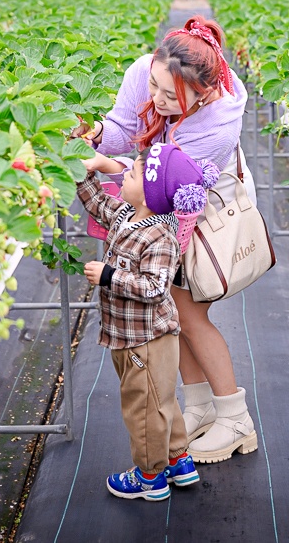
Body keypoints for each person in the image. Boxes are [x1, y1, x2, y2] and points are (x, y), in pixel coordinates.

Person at [74, 15, 259, 464]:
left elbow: (159, 191)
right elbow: (124, 129)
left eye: (167, 95)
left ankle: (236, 420)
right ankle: (197, 407)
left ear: (204, 93)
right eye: (152, 85)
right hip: (157, 191)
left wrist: (111, 170)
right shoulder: (147, 69)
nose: (154, 98)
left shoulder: (218, 126)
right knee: (175, 310)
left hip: (194, 203)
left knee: (192, 313)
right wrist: (99, 134)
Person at [76, 143, 217, 501]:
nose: (124, 174)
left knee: (143, 409)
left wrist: (109, 276)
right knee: (160, 400)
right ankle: (178, 459)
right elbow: (98, 204)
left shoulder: (160, 237)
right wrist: (82, 173)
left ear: (152, 193)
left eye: (134, 174)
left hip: (147, 340)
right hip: (128, 334)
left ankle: (150, 476)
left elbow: (155, 287)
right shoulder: (128, 215)